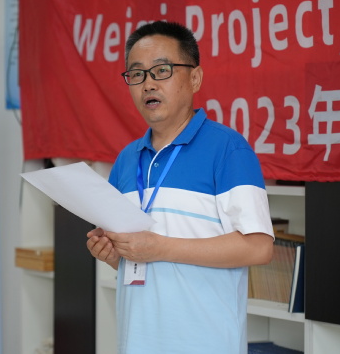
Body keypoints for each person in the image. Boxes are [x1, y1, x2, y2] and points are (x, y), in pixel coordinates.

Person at [86, 21, 275, 354]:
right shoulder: (127, 160)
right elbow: (136, 260)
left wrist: (160, 247)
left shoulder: (228, 149)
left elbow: (259, 247)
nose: (148, 84)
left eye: (161, 71)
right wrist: (113, 254)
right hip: (136, 343)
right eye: (137, 74)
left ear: (195, 78)